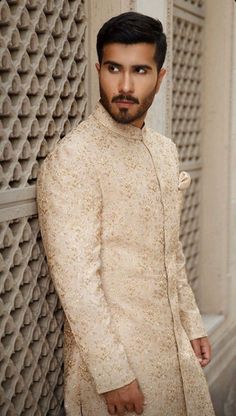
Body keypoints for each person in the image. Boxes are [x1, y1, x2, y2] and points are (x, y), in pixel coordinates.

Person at [36, 11, 216, 416]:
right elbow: (77, 284)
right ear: (98, 69)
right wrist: (114, 375)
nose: (125, 86)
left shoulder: (164, 150)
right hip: (119, 374)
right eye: (114, 69)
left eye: (140, 70)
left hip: (175, 356)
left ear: (160, 76)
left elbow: (172, 252)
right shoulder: (74, 159)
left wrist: (192, 323)